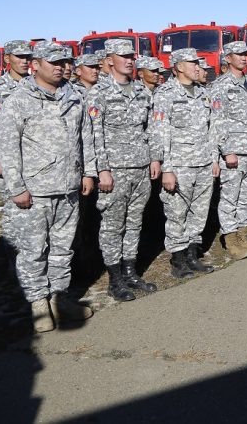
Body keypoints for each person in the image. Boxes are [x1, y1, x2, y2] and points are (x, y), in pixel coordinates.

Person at [0, 42, 96, 332]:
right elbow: (8, 148)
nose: (59, 66)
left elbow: (85, 138)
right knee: (33, 250)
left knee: (63, 249)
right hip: (35, 189)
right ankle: (39, 304)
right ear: (35, 65)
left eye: (63, 61)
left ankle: (59, 299)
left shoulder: (75, 97)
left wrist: (88, 173)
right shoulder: (19, 99)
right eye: (52, 62)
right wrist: (16, 187)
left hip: (68, 187)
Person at [86, 38, 160, 301]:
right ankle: (115, 279)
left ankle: (130, 271)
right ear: (109, 60)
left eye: (132, 56)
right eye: (124, 56)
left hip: (141, 167)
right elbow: (94, 135)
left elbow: (150, 129)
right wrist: (102, 170)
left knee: (134, 222)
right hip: (115, 170)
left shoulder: (141, 91)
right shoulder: (99, 93)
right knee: (112, 225)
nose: (130, 60)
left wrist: (155, 158)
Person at [151, 47, 218, 279]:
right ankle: (178, 260)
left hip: (203, 162)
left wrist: (214, 159)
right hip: (179, 165)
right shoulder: (165, 94)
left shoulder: (202, 93)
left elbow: (212, 129)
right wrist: (166, 168)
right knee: (177, 213)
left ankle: (192, 255)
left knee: (198, 213)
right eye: (193, 63)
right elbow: (160, 133)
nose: (198, 67)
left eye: (198, 63)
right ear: (179, 66)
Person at [208, 41, 247, 259]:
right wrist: (226, 150)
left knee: (245, 197)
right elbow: (217, 120)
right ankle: (231, 240)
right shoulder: (220, 85)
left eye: (246, 54)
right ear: (228, 58)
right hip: (234, 151)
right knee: (229, 197)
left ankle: (244, 236)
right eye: (239, 54)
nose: (244, 58)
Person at [0, 39, 33, 256]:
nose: (24, 61)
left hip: (35, 159)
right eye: (19, 57)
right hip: (11, 161)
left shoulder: (35, 83)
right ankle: (13, 261)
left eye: (27, 57)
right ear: (7, 59)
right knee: (13, 213)